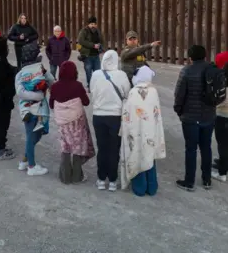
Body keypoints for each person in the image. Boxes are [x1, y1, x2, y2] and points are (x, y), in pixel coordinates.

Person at [174, 45, 216, 192]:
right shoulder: (212, 69)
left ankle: (189, 181)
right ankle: (207, 180)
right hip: (209, 116)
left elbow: (179, 94)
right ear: (205, 56)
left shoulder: (186, 71)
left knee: (191, 149)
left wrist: (178, 110)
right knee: (206, 148)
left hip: (190, 117)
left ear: (190, 57)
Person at [119, 66, 166, 196]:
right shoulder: (153, 91)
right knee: (149, 155)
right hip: (150, 130)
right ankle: (152, 187)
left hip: (136, 131)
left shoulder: (133, 92)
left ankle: (140, 187)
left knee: (137, 153)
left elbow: (128, 113)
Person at [89, 50, 131, 191]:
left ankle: (101, 179)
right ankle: (113, 180)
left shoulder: (95, 74)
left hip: (99, 115)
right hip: (116, 117)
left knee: (102, 148)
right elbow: (127, 93)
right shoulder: (122, 75)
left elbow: (92, 91)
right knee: (114, 149)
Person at [49, 61, 94, 184]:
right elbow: (86, 102)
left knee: (66, 147)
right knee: (77, 147)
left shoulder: (54, 86)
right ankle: (77, 176)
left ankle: (65, 176)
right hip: (77, 122)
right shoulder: (78, 85)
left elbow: (51, 105)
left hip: (63, 123)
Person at [15, 44, 55, 176]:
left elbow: (21, 92)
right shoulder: (38, 70)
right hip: (35, 110)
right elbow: (51, 81)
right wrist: (39, 95)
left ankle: (25, 160)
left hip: (29, 109)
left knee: (34, 136)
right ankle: (31, 166)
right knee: (32, 137)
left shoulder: (20, 73)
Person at [0, 35, 17, 160]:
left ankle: (1, 146)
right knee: (2, 123)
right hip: (3, 98)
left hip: (2, 97)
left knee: (2, 122)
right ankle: (0, 149)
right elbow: (3, 80)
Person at [77, 16, 103, 90]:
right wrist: (93, 45)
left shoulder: (97, 31)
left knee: (97, 72)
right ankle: (90, 86)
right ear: (88, 24)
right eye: (91, 24)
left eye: (94, 24)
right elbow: (81, 41)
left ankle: (97, 86)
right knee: (89, 72)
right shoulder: (84, 31)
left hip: (96, 55)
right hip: (87, 55)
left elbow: (102, 39)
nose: (93, 25)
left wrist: (100, 46)